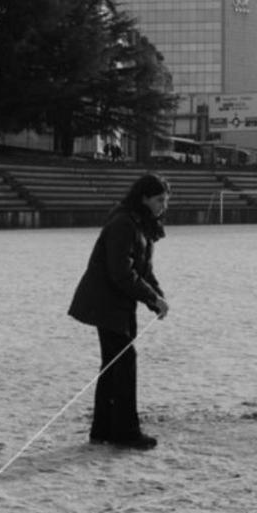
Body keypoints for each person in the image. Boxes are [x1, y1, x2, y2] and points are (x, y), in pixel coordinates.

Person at [68, 173, 171, 451]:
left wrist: (157, 298)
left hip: (119, 302)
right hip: (106, 302)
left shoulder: (140, 224)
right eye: (159, 200)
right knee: (123, 364)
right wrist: (152, 298)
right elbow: (121, 273)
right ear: (144, 199)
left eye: (165, 199)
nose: (164, 205)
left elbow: (143, 270)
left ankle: (103, 430)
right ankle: (124, 432)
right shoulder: (125, 223)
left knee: (114, 365)